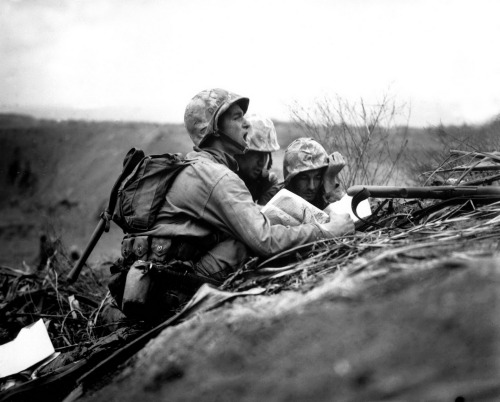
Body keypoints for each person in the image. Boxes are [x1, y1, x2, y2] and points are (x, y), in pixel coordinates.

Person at [142, 89, 354, 284]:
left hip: (172, 276)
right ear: (213, 130)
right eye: (237, 117)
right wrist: (327, 231)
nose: (246, 124)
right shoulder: (218, 177)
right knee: (243, 246)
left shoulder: (200, 165)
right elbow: (264, 241)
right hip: (177, 286)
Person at [283, 137, 345, 210]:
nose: (311, 187)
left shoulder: (322, 196)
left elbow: (343, 217)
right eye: (304, 178)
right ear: (292, 179)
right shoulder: (274, 196)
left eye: (317, 177)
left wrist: (329, 179)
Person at [234, 113, 281, 205]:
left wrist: (268, 191)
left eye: (266, 154)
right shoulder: (225, 178)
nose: (262, 162)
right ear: (240, 151)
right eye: (256, 154)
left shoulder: (265, 181)